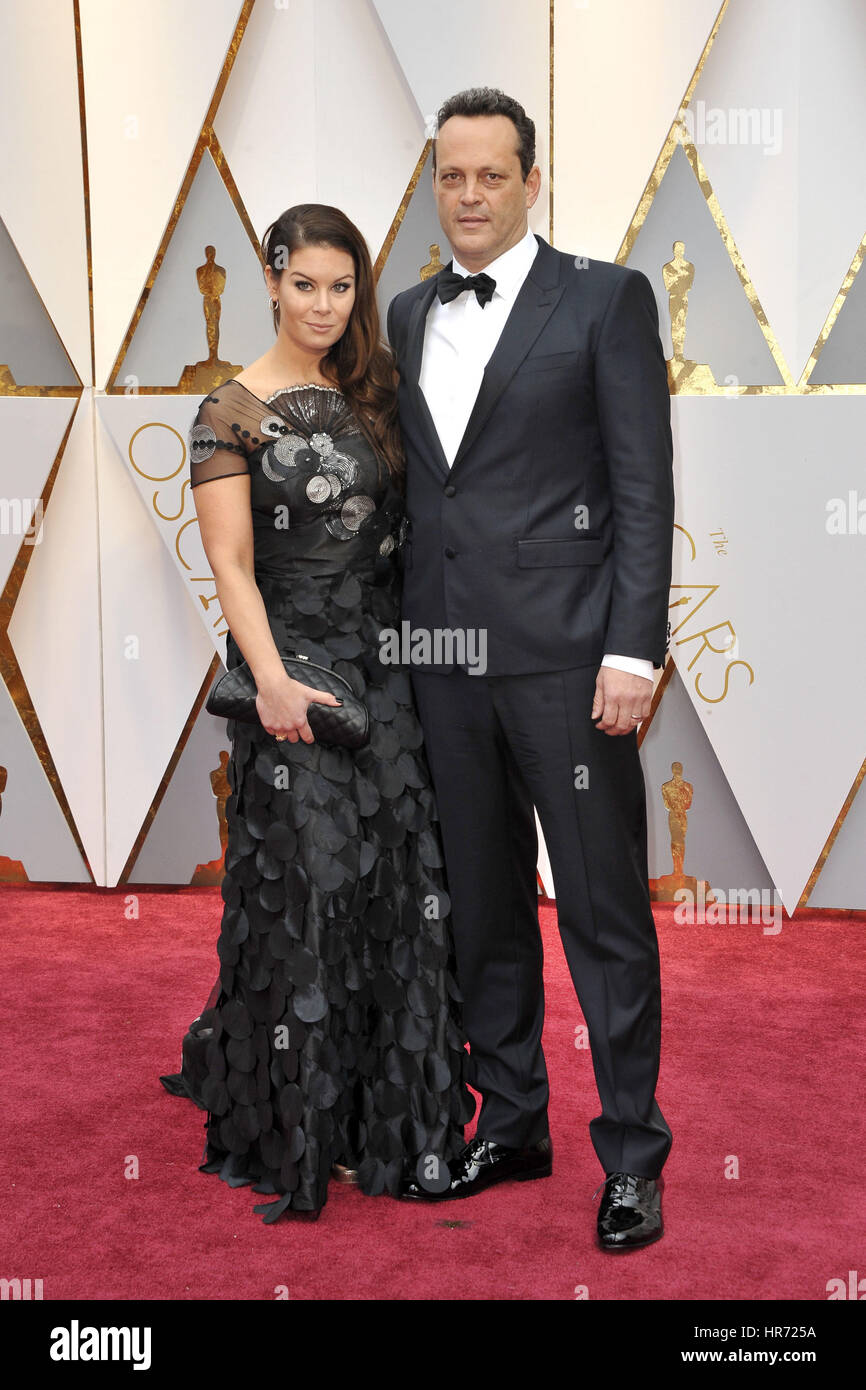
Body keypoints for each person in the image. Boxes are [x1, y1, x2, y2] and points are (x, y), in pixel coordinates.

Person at [386, 88, 675, 1251]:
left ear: (529, 181)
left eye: (488, 176)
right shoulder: (405, 313)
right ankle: (508, 1120)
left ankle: (633, 1157)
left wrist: (630, 645)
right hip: (441, 655)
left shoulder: (604, 298)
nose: (466, 195)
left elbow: (642, 488)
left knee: (602, 913)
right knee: (479, 907)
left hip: (569, 658)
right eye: (449, 176)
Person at [167, 203, 474, 1223]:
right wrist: (271, 684)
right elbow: (229, 563)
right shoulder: (230, 409)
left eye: (342, 287)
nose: (324, 305)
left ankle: (379, 1127)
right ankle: (300, 1124)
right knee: (306, 888)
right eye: (305, 284)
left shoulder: (377, 393)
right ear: (270, 280)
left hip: (387, 674)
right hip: (290, 669)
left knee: (396, 888)